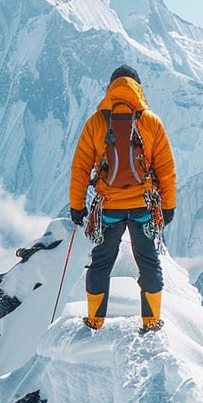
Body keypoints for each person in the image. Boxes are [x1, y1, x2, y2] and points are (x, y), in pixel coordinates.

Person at [69, 65, 176, 331]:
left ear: (111, 88)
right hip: (143, 206)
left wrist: (77, 205)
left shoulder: (96, 122)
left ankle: (95, 320)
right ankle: (151, 321)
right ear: (138, 88)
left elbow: (81, 167)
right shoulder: (151, 122)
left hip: (109, 209)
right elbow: (166, 169)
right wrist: (169, 205)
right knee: (149, 262)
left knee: (101, 263)